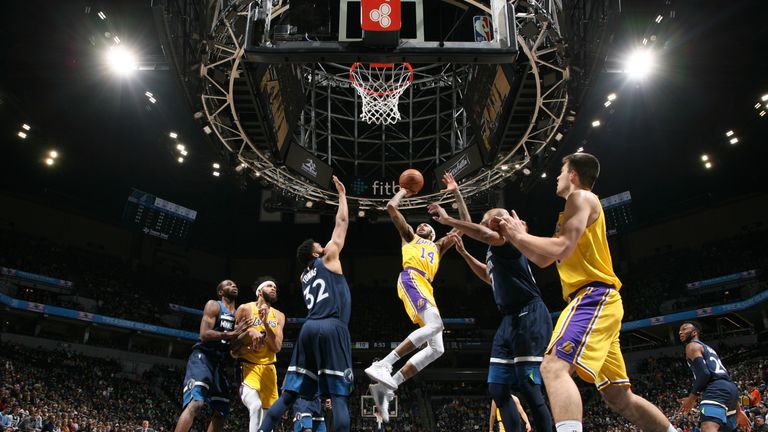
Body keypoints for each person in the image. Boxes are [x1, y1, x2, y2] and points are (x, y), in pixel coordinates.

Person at [494, 152, 677, 432]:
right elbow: (545, 259)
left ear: (573, 175)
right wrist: (518, 238)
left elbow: (562, 248)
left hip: (593, 296)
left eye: (561, 170)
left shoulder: (579, 198)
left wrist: (518, 236)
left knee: (553, 367)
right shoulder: (572, 208)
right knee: (619, 397)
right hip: (600, 300)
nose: (556, 176)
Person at [429, 207, 554, 432]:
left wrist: (449, 220)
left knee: (528, 385)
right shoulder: (494, 248)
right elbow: (489, 276)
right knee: (497, 388)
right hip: (509, 319)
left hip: (529, 312)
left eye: (485, 221)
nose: (483, 225)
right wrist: (466, 254)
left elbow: (485, 234)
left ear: (496, 221)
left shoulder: (507, 239)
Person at [365, 172, 469, 422]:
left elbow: (466, 220)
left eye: (427, 226)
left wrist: (455, 191)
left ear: (433, 234)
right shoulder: (409, 237)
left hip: (427, 288)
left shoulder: (439, 246)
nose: (422, 226)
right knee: (436, 326)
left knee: (437, 348)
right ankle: (384, 364)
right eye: (420, 224)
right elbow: (391, 207)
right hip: (411, 279)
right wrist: (404, 191)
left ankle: (389, 386)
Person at [258, 176, 352, 432]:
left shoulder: (303, 276)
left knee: (289, 395)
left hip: (309, 329)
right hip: (332, 326)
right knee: (340, 397)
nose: (323, 244)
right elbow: (342, 222)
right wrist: (342, 196)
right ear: (314, 252)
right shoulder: (330, 257)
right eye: (318, 245)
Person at [174, 280, 247, 432]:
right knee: (196, 403)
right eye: (228, 284)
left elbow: (233, 348)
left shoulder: (238, 316)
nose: (233, 286)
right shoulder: (214, 305)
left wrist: (244, 339)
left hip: (219, 363)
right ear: (220, 292)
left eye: (235, 284)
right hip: (203, 357)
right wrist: (231, 334)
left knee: (222, 411)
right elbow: (204, 334)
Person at [231, 277, 286, 432]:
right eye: (270, 286)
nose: (274, 288)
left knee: (269, 419)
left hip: (269, 370)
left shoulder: (279, 316)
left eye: (275, 286)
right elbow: (233, 345)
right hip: (248, 366)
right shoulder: (245, 309)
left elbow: (276, 347)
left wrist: (266, 324)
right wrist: (250, 331)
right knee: (255, 406)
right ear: (260, 292)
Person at [678, 322, 751, 432]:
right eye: (680, 330)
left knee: (708, 428)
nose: (680, 332)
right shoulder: (708, 348)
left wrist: (691, 398)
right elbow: (722, 379)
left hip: (716, 390)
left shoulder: (692, 346)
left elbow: (704, 374)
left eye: (684, 329)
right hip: (730, 390)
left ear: (694, 332)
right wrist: (738, 411)